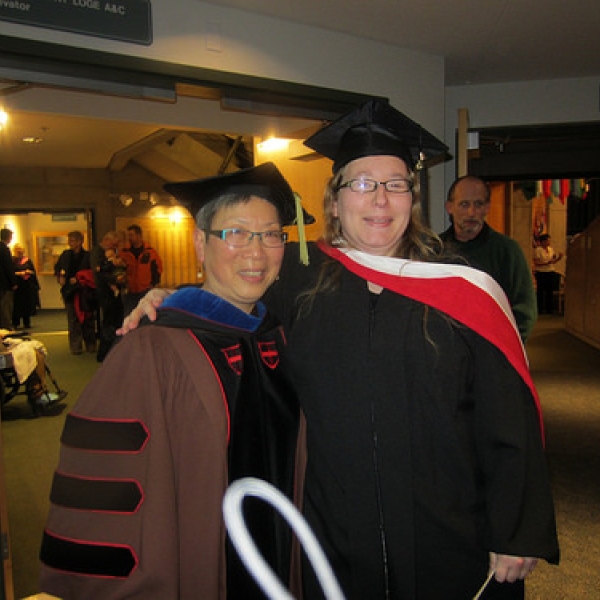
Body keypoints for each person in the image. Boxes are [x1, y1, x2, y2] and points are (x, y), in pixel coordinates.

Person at [124, 99, 559, 600]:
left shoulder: (463, 292)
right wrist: (171, 297)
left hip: (448, 532)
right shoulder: (297, 280)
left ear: (411, 200)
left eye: (396, 184)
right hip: (336, 536)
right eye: (362, 183)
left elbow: (509, 421)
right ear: (334, 201)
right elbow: (233, 293)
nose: (380, 199)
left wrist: (516, 530)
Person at [38, 163, 304, 600]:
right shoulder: (151, 349)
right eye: (235, 233)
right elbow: (108, 492)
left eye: (271, 234)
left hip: (279, 563)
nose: (256, 253)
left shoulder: (278, 337)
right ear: (201, 242)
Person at [440, 175, 538, 341]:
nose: (471, 212)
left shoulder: (507, 251)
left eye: (478, 204)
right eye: (464, 204)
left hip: (492, 353)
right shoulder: (434, 251)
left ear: (487, 207)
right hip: (445, 353)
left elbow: (525, 310)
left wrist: (504, 350)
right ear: (449, 207)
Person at [53, 231, 97, 355]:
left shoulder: (88, 256)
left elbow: (91, 273)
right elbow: (57, 268)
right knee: (73, 319)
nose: (70, 243)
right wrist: (60, 276)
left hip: (85, 292)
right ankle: (76, 346)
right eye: (69, 240)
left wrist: (79, 279)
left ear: (80, 241)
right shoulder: (65, 255)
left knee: (87, 318)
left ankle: (90, 343)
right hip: (70, 292)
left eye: (72, 240)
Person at [91, 230, 127, 362]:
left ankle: (113, 349)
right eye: (113, 244)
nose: (115, 248)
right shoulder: (97, 252)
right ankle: (104, 353)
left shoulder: (107, 253)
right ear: (107, 241)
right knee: (108, 322)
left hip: (113, 292)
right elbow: (98, 273)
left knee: (116, 320)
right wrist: (114, 278)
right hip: (105, 293)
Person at [120, 224, 163, 316]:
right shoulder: (124, 252)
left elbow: (158, 269)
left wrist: (153, 283)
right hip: (129, 291)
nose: (129, 238)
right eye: (128, 235)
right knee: (129, 315)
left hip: (145, 290)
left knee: (144, 315)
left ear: (139, 235)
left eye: (131, 235)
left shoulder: (150, 252)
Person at [11, 243, 41, 329]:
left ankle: (26, 322)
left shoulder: (27, 260)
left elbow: (33, 271)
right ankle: (15, 323)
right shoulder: (12, 260)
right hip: (17, 286)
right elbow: (10, 272)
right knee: (16, 305)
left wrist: (29, 272)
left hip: (27, 286)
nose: (20, 252)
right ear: (15, 250)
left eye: (21, 250)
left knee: (26, 304)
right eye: (18, 250)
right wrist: (20, 273)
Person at [533, 233, 563, 315]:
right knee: (541, 291)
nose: (548, 242)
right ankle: (540, 309)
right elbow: (536, 262)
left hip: (550, 271)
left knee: (549, 291)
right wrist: (547, 262)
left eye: (549, 241)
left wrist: (559, 258)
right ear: (542, 242)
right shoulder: (537, 250)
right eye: (547, 241)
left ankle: (549, 309)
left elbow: (552, 262)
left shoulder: (550, 249)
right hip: (541, 272)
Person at [0, 228, 18, 330]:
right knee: (6, 307)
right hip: (5, 284)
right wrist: (13, 282)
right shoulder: (5, 249)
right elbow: (8, 267)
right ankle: (6, 327)